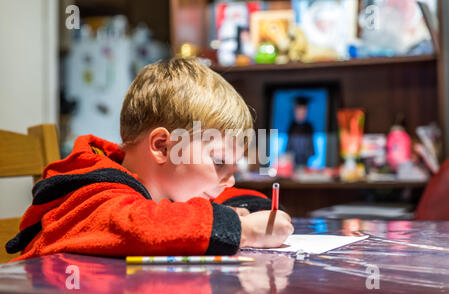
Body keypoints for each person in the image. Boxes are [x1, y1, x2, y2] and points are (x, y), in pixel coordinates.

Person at [5, 58, 293, 262]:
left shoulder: (167, 188)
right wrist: (241, 229)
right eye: (218, 162)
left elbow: (228, 195)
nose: (229, 178)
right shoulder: (90, 193)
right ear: (162, 147)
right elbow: (135, 225)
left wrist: (254, 211)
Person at [286, 97, 315, 167]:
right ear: (295, 111)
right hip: (293, 165)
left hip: (305, 165)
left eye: (303, 111)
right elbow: (288, 149)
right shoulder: (291, 127)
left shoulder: (309, 127)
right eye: (298, 110)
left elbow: (311, 150)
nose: (301, 113)